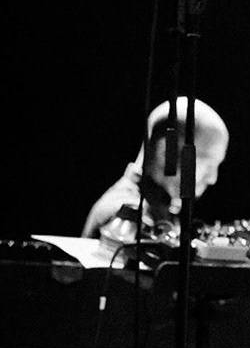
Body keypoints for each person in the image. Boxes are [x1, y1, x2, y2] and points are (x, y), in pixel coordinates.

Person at [81, 97, 230, 245]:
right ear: (166, 152)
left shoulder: (157, 210)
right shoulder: (127, 217)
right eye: (208, 163)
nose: (212, 178)